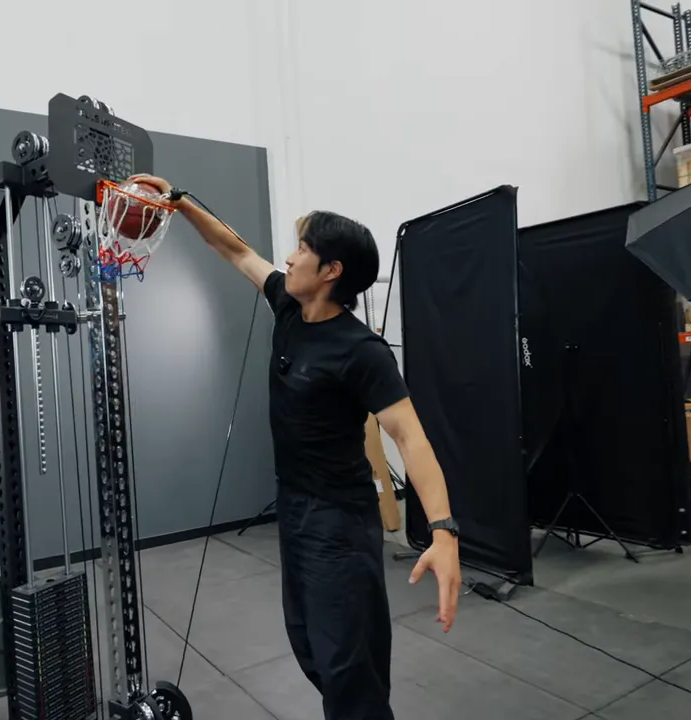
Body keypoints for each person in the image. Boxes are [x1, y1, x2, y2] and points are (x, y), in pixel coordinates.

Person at [130, 175, 462, 720]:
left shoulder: (362, 351)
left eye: (303, 249)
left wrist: (444, 531)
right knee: (310, 645)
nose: (289, 256)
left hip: (340, 520)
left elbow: (411, 437)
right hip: (296, 509)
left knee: (349, 667)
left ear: (331, 271)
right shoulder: (287, 302)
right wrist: (179, 199)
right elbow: (235, 250)